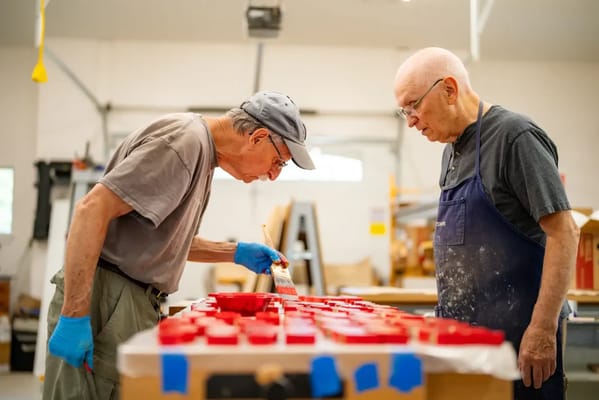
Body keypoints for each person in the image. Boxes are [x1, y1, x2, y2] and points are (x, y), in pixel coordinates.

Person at [43, 91, 315, 399]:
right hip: (105, 298)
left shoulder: (203, 154)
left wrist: (235, 253)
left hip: (127, 299)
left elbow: (166, 240)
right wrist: (75, 314)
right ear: (258, 137)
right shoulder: (184, 144)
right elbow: (91, 210)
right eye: (278, 161)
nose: (274, 175)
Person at [393, 47, 579, 400]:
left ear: (449, 89)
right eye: (404, 111)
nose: (411, 121)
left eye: (414, 105)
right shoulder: (451, 152)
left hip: (517, 350)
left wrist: (542, 329)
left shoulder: (515, 137)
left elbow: (565, 233)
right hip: (465, 347)